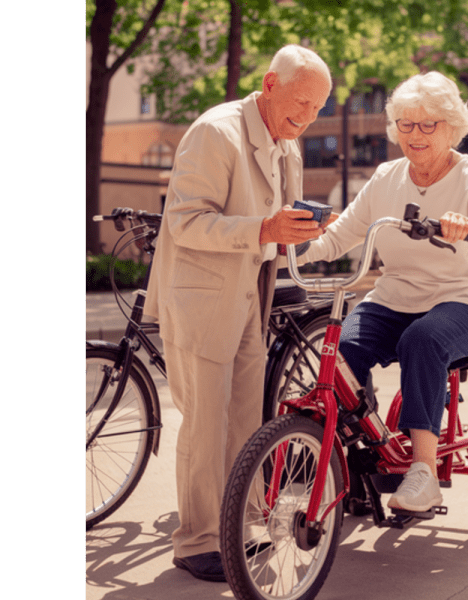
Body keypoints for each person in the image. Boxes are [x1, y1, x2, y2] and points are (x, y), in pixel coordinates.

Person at [143, 45, 333, 582]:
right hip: (201, 299)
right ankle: (197, 541)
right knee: (206, 424)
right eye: (301, 101)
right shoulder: (216, 132)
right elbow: (184, 221)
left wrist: (302, 230)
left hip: (251, 295)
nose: (308, 116)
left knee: (246, 419)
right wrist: (264, 229)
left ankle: (238, 527)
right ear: (270, 84)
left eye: (318, 107)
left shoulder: (288, 145)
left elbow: (278, 226)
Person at [297, 71, 468, 513]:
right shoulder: (385, 177)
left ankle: (423, 473)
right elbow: (338, 237)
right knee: (340, 352)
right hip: (394, 298)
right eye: (406, 124)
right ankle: (360, 453)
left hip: (467, 300)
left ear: (453, 128)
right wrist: (286, 250)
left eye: (428, 124)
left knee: (422, 339)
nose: (415, 134)